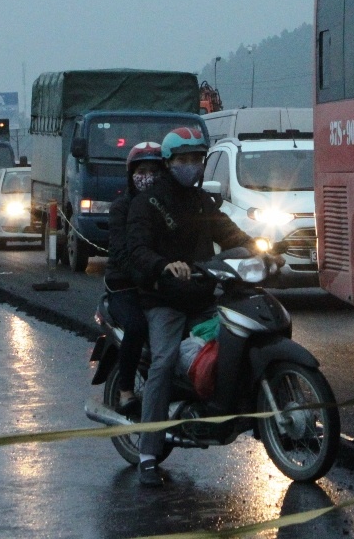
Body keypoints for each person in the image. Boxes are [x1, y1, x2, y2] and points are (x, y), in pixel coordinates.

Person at [121, 126, 256, 487]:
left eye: (197, 159)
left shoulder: (201, 202)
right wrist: (163, 265)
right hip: (163, 301)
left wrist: (260, 249)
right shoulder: (147, 203)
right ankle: (149, 453)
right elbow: (136, 250)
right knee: (163, 362)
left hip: (202, 295)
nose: (192, 166)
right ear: (168, 163)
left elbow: (230, 234)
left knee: (240, 340)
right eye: (184, 160)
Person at [103, 141, 162, 414]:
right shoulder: (121, 208)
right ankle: (126, 389)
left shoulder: (166, 205)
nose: (147, 176)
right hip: (124, 287)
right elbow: (120, 253)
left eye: (154, 169)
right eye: (142, 170)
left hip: (159, 284)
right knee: (137, 327)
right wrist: (148, 273)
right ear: (131, 173)